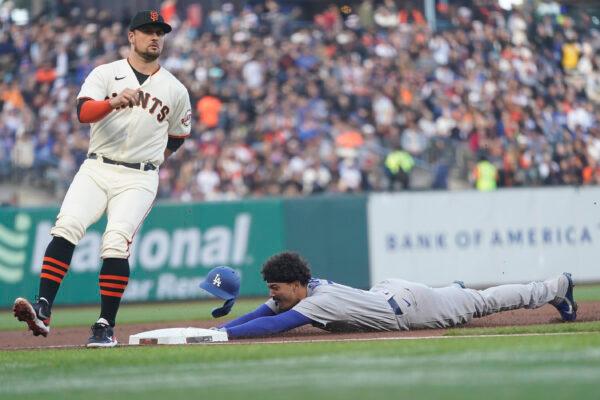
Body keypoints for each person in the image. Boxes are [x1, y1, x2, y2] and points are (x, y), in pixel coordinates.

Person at [13, 10, 192, 347]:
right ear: (131, 36)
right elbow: (83, 113)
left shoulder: (175, 89)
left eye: (160, 32)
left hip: (139, 177)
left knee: (115, 242)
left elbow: (178, 137)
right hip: (96, 167)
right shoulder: (106, 73)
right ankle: (43, 308)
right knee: (66, 226)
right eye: (148, 30)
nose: (155, 37)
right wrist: (111, 102)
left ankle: (105, 325)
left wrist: (152, 160)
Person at [216, 252, 577, 339]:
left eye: (276, 288)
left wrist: (223, 336)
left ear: (294, 284)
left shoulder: (314, 301)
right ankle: (454, 291)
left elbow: (275, 325)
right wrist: (218, 332)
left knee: (483, 303)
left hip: (411, 308)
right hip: (390, 292)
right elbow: (257, 316)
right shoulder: (301, 291)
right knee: (460, 297)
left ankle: (555, 286)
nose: (272, 294)